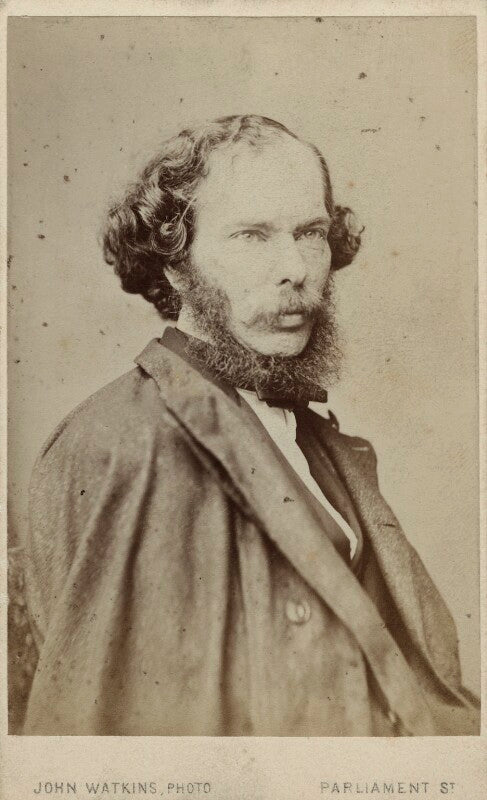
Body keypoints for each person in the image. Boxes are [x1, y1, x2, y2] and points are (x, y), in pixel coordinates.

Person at [22, 114, 479, 736]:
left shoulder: (310, 434)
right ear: (174, 261)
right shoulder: (118, 445)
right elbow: (101, 727)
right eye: (251, 236)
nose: (295, 267)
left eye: (310, 233)